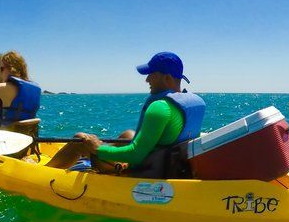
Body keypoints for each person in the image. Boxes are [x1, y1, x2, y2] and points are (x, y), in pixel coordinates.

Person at [46, 52, 205, 176]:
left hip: (143, 171)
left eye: (151, 74)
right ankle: (101, 154)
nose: (147, 80)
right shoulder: (196, 102)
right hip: (170, 165)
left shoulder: (160, 108)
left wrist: (98, 148)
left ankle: (41, 172)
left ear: (167, 77)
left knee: (81, 140)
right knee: (128, 135)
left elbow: (135, 155)